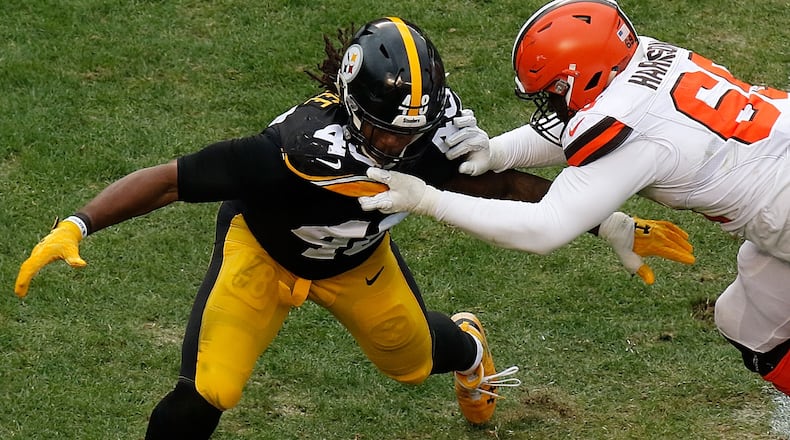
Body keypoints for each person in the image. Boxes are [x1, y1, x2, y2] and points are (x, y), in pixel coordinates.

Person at [15, 17, 691, 439]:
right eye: (382, 129)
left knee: (412, 365)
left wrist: (605, 220)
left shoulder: (430, 127)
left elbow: (502, 183)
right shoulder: (293, 149)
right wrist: (79, 222)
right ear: (348, 101)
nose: (397, 145)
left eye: (409, 131)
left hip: (358, 261)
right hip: (264, 253)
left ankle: (469, 347)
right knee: (212, 388)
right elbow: (169, 179)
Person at [358, 0, 790, 398]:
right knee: (749, 322)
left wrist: (429, 201)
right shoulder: (642, 60)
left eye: (552, 92)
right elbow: (600, 125)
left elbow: (543, 229)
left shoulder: (626, 126)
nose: (550, 104)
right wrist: (498, 152)